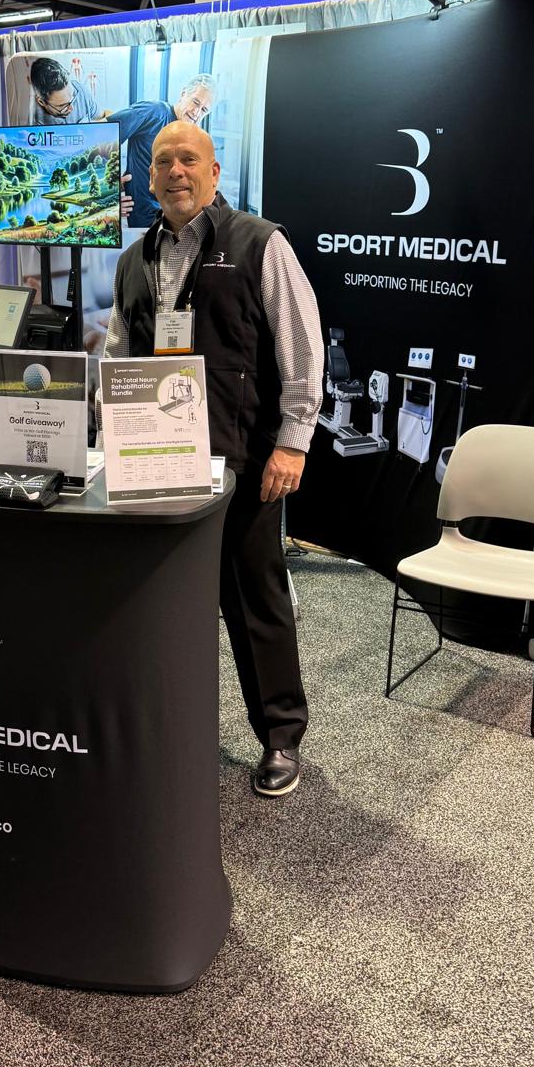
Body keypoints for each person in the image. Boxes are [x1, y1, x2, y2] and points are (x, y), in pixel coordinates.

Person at [104, 122, 324, 798]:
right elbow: (118, 349)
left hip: (242, 458)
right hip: (154, 458)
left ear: (214, 171)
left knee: (253, 600)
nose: (175, 170)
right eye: (164, 160)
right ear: (148, 178)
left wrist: (293, 441)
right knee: (162, 603)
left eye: (188, 159)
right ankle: (169, 729)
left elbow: (301, 344)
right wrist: (106, 429)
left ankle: (280, 737)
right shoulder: (134, 257)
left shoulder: (261, 243)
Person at [104, 73, 217, 230]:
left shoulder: (192, 137)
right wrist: (106, 194)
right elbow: (102, 135)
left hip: (173, 223)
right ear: (184, 93)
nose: (196, 112)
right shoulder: (153, 112)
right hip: (143, 225)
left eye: (203, 109)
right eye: (195, 102)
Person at [29, 56, 100, 125]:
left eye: (72, 97)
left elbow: (100, 118)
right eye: (62, 106)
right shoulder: (32, 120)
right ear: (41, 102)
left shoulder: (81, 91)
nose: (71, 108)